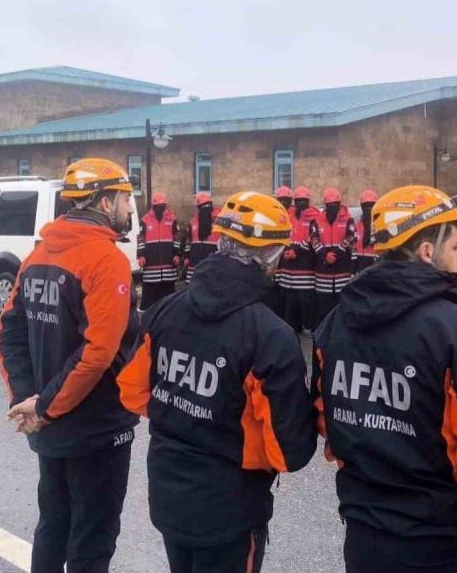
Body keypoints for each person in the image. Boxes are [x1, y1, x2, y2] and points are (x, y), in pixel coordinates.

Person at [313, 185, 457, 573]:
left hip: (363, 530)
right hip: (440, 539)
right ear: (427, 252)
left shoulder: (336, 320)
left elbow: (327, 418)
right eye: (455, 248)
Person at [117, 191, 316, 573]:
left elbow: (132, 391)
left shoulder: (164, 310)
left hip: (169, 495)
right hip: (231, 511)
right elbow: (289, 451)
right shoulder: (270, 337)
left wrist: (184, 410)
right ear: (270, 256)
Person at [0, 158, 140, 573]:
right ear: (105, 201)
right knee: (91, 542)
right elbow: (98, 353)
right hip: (95, 431)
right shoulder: (106, 260)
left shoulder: (39, 254)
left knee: (53, 528)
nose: (131, 210)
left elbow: (9, 332)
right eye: (126, 199)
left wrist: (30, 401)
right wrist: (40, 406)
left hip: (50, 427)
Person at [309, 187, 356, 327]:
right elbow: (314, 239)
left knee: (341, 307)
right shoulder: (316, 221)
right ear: (325, 205)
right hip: (323, 272)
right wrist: (325, 255)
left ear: (339, 204)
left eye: (335, 204)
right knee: (323, 308)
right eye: (329, 205)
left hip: (342, 271)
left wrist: (337, 253)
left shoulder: (349, 220)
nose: (332, 208)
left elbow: (350, 237)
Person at [278, 186, 319, 334]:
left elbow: (313, 238)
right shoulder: (289, 215)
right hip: (289, 267)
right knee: (290, 299)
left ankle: (308, 327)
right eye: (298, 200)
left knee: (305, 298)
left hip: (305, 263)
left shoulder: (314, 216)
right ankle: (292, 326)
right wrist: (287, 251)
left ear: (308, 201)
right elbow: (283, 234)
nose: (301, 203)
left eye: (304, 200)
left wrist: (296, 251)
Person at [138, 191, 181, 311]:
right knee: (150, 296)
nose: (160, 209)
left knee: (168, 296)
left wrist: (177, 254)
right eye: (158, 206)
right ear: (153, 206)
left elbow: (177, 237)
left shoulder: (172, 219)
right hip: (151, 265)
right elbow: (141, 239)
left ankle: (168, 314)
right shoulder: (145, 220)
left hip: (168, 265)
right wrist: (141, 255)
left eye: (163, 206)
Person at [264, 186, 295, 316]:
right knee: (274, 289)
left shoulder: (295, 215)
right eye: (281, 199)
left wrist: (290, 250)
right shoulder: (270, 214)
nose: (283, 202)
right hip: (274, 256)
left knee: (287, 293)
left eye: (286, 200)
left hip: (290, 257)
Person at [182, 192, 220, 281]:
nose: (205, 208)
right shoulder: (193, 221)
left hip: (213, 260)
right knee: (195, 285)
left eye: (207, 206)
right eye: (202, 206)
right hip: (195, 260)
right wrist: (187, 257)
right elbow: (189, 240)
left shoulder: (219, 220)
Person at [353, 189, 378, 274]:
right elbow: (353, 248)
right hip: (360, 269)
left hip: (375, 269)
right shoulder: (357, 225)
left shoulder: (380, 226)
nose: (368, 209)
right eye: (365, 206)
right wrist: (353, 267)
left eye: (371, 206)